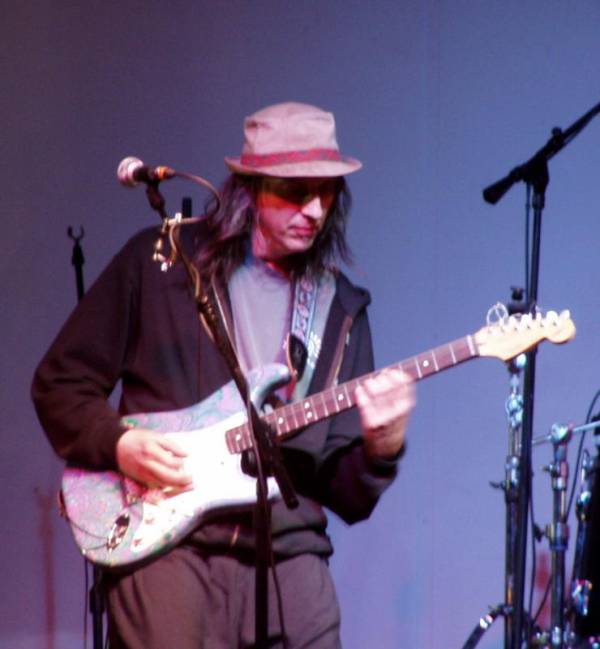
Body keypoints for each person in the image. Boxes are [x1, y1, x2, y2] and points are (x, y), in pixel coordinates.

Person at [32, 101, 416, 649]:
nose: (313, 208)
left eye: (326, 191)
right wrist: (119, 444)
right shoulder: (162, 261)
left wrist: (382, 446)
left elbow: (347, 496)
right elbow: (59, 383)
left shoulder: (341, 309)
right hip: (168, 544)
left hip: (289, 551)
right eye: (293, 189)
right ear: (250, 187)